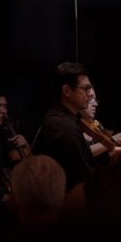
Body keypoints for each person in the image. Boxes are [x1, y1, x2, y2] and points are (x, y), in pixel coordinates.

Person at [34, 62, 97, 194]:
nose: (89, 94)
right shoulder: (64, 127)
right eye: (85, 88)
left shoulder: (63, 119)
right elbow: (81, 180)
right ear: (67, 91)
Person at [0, 90, 30, 204]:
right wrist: (3, 197)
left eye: (5, 106)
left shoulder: (8, 134)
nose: (4, 111)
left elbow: (28, 166)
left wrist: (26, 147)